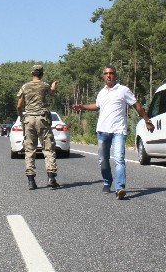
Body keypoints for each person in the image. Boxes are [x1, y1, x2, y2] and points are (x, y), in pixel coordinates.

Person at [73, 65, 154, 200]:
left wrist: (146, 119)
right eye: (106, 74)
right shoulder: (102, 92)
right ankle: (107, 181)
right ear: (103, 76)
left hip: (118, 131)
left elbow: (136, 105)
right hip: (102, 131)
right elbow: (96, 106)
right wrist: (82, 106)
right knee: (103, 159)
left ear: (115, 75)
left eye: (111, 73)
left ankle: (120, 188)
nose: (109, 76)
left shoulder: (123, 90)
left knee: (119, 159)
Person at [17, 65, 59, 190]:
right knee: (48, 148)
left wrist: (22, 117)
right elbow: (52, 93)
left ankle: (31, 181)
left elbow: (19, 105)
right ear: (42, 74)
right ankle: (51, 177)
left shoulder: (25, 86)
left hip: (29, 119)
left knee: (30, 150)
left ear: (32, 73)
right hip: (42, 119)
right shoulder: (45, 85)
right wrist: (53, 86)